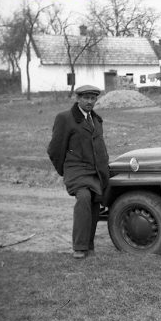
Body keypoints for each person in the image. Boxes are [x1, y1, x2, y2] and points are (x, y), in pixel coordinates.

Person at [47, 85, 110, 259]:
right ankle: (79, 247)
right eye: (86, 98)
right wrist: (65, 170)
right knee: (84, 197)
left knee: (95, 203)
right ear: (78, 98)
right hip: (76, 171)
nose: (90, 101)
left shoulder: (96, 120)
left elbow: (100, 149)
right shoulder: (65, 118)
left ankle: (89, 245)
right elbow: (54, 149)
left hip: (96, 172)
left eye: (93, 98)